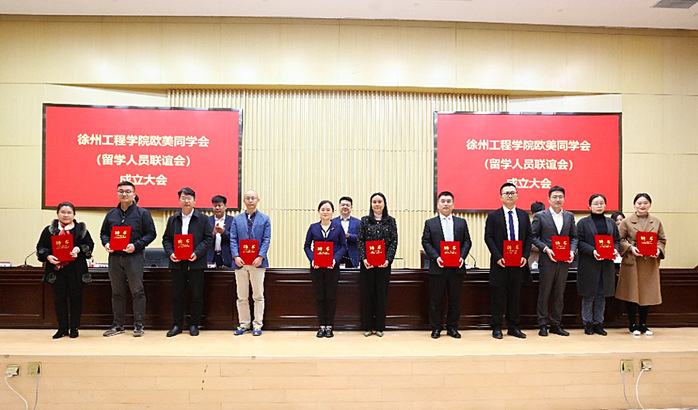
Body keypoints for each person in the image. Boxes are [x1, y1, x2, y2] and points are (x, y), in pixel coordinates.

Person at [100, 181, 156, 337]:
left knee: (137, 291)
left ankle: (139, 324)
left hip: (134, 257)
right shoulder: (111, 214)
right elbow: (104, 233)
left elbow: (151, 234)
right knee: (117, 292)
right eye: (121, 191)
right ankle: (118, 324)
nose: (124, 194)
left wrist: (136, 245)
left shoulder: (142, 213)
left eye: (128, 191)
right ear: (117, 193)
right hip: (115, 257)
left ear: (134, 194)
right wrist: (106, 243)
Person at [36, 202, 94, 339]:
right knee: (59, 299)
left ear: (74, 214)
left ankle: (74, 328)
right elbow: (40, 247)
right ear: (57, 213)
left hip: (76, 270)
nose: (66, 215)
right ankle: (62, 328)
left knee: (76, 299)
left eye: (69, 213)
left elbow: (89, 245)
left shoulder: (81, 230)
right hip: (56, 270)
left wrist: (78, 249)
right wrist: (48, 256)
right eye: (63, 212)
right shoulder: (49, 230)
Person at [162, 187, 214, 337]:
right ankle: (177, 325)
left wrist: (196, 253)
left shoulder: (203, 219)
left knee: (196, 296)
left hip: (195, 263)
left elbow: (208, 239)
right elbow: (166, 239)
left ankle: (193, 324)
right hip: (177, 263)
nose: (186, 201)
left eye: (189, 198)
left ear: (194, 201)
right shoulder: (173, 219)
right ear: (179, 200)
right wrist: (171, 253)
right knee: (177, 296)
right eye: (183, 198)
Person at [484, 182, 532, 339]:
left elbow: (529, 236)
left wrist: (525, 256)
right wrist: (498, 257)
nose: (510, 195)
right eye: (506, 193)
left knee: (514, 296)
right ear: (501, 197)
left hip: (518, 263)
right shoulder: (493, 216)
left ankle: (513, 327)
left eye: (512, 193)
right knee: (498, 296)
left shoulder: (523, 215)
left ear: (517, 195)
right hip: (500, 263)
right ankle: (497, 327)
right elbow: (488, 237)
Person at [421, 191, 472, 339]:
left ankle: (452, 327)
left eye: (449, 201)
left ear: (453, 205)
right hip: (438, 267)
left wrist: (462, 257)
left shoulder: (461, 222)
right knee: (436, 300)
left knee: (455, 300)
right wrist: (436, 257)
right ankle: (436, 328)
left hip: (456, 268)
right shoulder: (430, 223)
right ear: (438, 205)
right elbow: (426, 242)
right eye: (442, 201)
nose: (445, 204)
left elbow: (467, 241)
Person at [616, 193, 666, 336]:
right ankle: (632, 324)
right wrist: (631, 248)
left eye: (645, 203)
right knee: (631, 293)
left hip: (649, 263)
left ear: (650, 204)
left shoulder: (656, 222)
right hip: (632, 262)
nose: (642, 206)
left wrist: (658, 250)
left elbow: (662, 240)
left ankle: (643, 324)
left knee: (646, 294)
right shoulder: (626, 222)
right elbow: (619, 240)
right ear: (634, 205)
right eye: (639, 203)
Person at [531, 186, 577, 337]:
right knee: (544, 292)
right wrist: (545, 249)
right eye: (555, 197)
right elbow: (533, 237)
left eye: (560, 197)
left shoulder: (569, 216)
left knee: (559, 293)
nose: (558, 199)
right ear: (549, 199)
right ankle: (543, 324)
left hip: (564, 261)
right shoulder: (541, 216)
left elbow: (574, 237)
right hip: (547, 260)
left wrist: (572, 251)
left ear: (564, 198)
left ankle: (556, 324)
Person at [576, 194, 620, 336]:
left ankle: (598, 323)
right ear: (589, 206)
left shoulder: (611, 223)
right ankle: (587, 323)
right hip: (589, 263)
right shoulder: (583, 223)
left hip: (606, 264)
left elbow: (617, 240)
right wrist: (593, 251)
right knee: (588, 295)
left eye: (601, 203)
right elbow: (579, 242)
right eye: (596, 203)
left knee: (601, 295)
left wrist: (615, 249)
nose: (599, 206)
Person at [303, 200, 347, 338]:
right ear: (318, 212)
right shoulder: (313, 227)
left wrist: (335, 259)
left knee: (331, 297)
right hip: (317, 268)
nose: (325, 212)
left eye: (328, 210)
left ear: (333, 212)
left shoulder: (338, 228)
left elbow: (343, 246)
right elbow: (306, 246)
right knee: (320, 297)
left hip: (332, 267)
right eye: (323, 209)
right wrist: (312, 259)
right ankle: (321, 326)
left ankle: (329, 326)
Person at [230, 190, 271, 336]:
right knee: (242, 296)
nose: (250, 200)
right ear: (244, 201)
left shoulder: (265, 219)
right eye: (248, 198)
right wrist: (235, 256)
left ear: (258, 200)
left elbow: (266, 239)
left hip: (257, 263)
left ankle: (257, 325)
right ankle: (244, 324)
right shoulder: (237, 219)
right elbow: (233, 239)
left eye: (253, 198)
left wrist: (260, 256)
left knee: (258, 296)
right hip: (240, 263)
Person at [358, 192, 398, 337]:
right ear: (371, 204)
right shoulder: (364, 220)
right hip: (367, 265)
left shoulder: (391, 221)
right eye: (374, 202)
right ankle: (368, 326)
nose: (377, 204)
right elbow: (360, 241)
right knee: (367, 295)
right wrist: (364, 258)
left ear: (384, 204)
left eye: (379, 201)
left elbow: (394, 241)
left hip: (383, 265)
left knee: (381, 295)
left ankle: (380, 327)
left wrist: (388, 259)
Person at [333, 196, 360, 268]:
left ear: (351, 207)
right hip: (336, 255)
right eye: (343, 205)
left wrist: (348, 235)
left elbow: (361, 238)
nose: (345, 207)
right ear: (339, 207)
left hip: (352, 255)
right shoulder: (332, 222)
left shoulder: (358, 222)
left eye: (347, 205)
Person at [207, 195, 234, 268]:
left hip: (227, 256)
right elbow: (203, 239)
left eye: (219, 205)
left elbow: (234, 238)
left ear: (225, 206)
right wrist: (212, 234)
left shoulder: (232, 220)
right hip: (211, 256)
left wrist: (223, 232)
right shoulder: (207, 220)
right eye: (215, 206)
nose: (217, 208)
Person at [528, 202, 545, 270]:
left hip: (546, 262)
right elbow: (528, 243)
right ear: (531, 214)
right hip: (532, 259)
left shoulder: (548, 225)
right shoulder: (527, 226)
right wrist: (545, 247)